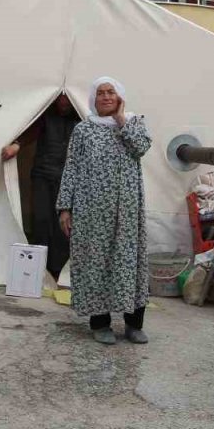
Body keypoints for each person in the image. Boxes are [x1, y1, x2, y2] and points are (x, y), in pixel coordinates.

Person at [56, 78, 153, 345]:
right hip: (92, 211)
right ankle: (100, 323)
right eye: (101, 93)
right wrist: (65, 207)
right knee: (96, 262)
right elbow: (72, 168)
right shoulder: (83, 130)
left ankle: (134, 324)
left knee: (129, 261)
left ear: (120, 96)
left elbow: (141, 148)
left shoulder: (133, 123)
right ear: (93, 99)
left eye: (111, 92)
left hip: (127, 211)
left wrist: (122, 120)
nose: (106, 97)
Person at [1, 93, 81, 281]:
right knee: (42, 220)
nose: (63, 103)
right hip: (43, 175)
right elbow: (32, 131)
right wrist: (17, 145)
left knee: (64, 225)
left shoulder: (81, 120)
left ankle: (57, 270)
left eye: (67, 99)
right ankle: (38, 268)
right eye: (60, 99)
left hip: (68, 179)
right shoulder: (46, 116)